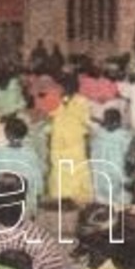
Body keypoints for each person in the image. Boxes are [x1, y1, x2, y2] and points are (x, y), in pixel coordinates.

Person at [46, 76, 94, 208]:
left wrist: (88, 144)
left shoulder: (82, 102)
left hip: (76, 145)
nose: (59, 89)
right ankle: (60, 206)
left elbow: (87, 124)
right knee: (58, 177)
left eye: (61, 86)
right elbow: (49, 119)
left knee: (77, 176)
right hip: (58, 146)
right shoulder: (53, 100)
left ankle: (78, 207)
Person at [88, 108, 133, 209]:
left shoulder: (98, 134)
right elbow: (129, 157)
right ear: (118, 121)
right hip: (115, 171)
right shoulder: (125, 136)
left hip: (100, 173)